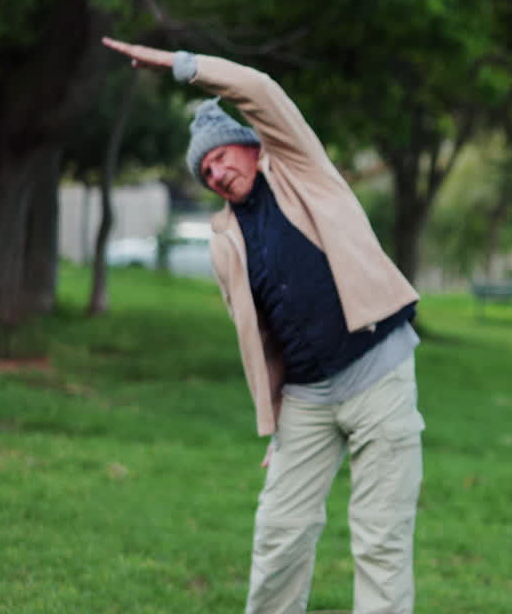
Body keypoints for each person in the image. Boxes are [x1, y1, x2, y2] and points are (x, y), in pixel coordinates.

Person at [101, 38, 424, 614]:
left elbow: (260, 92)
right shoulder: (225, 238)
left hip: (379, 374)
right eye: (205, 172)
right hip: (306, 399)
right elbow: (260, 339)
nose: (217, 173)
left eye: (221, 157)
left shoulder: (301, 169)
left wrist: (183, 67)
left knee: (381, 543)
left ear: (249, 147)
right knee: (279, 537)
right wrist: (275, 425)